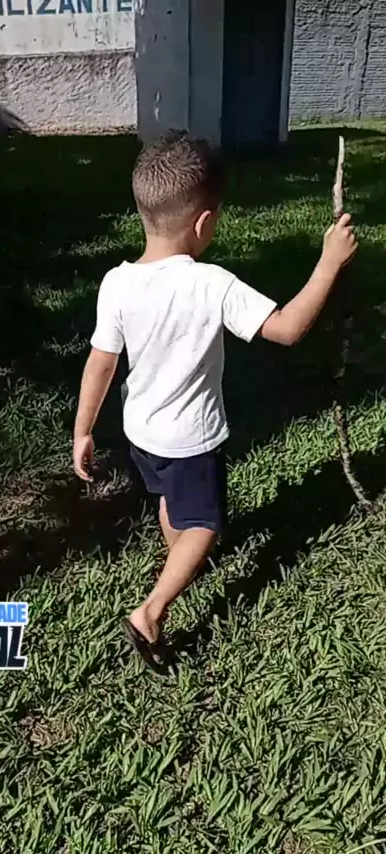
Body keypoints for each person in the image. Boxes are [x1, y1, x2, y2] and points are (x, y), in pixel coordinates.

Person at [72, 131, 357, 668]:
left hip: (141, 433)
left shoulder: (116, 282)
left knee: (169, 499)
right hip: (191, 440)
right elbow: (287, 329)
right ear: (204, 223)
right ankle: (151, 612)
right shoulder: (211, 284)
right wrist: (329, 263)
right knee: (204, 524)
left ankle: (177, 556)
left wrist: (83, 430)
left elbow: (101, 363)